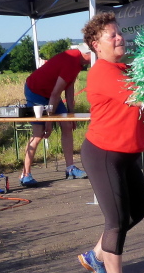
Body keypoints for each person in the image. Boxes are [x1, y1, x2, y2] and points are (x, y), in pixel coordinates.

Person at [76, 11, 144, 273]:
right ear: (96, 45)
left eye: (120, 32)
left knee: (140, 208)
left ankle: (95, 255)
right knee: (117, 219)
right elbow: (143, 97)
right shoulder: (103, 72)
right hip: (104, 154)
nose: (120, 37)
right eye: (112, 35)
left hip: (127, 154)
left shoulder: (125, 68)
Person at [20, 43, 93, 187]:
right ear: (86, 54)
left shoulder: (78, 62)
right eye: (94, 55)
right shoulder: (71, 62)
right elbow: (55, 94)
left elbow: (69, 87)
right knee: (39, 133)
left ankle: (70, 168)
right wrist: (49, 121)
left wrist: (71, 114)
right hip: (36, 91)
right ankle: (25, 174)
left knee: (67, 125)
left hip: (52, 94)